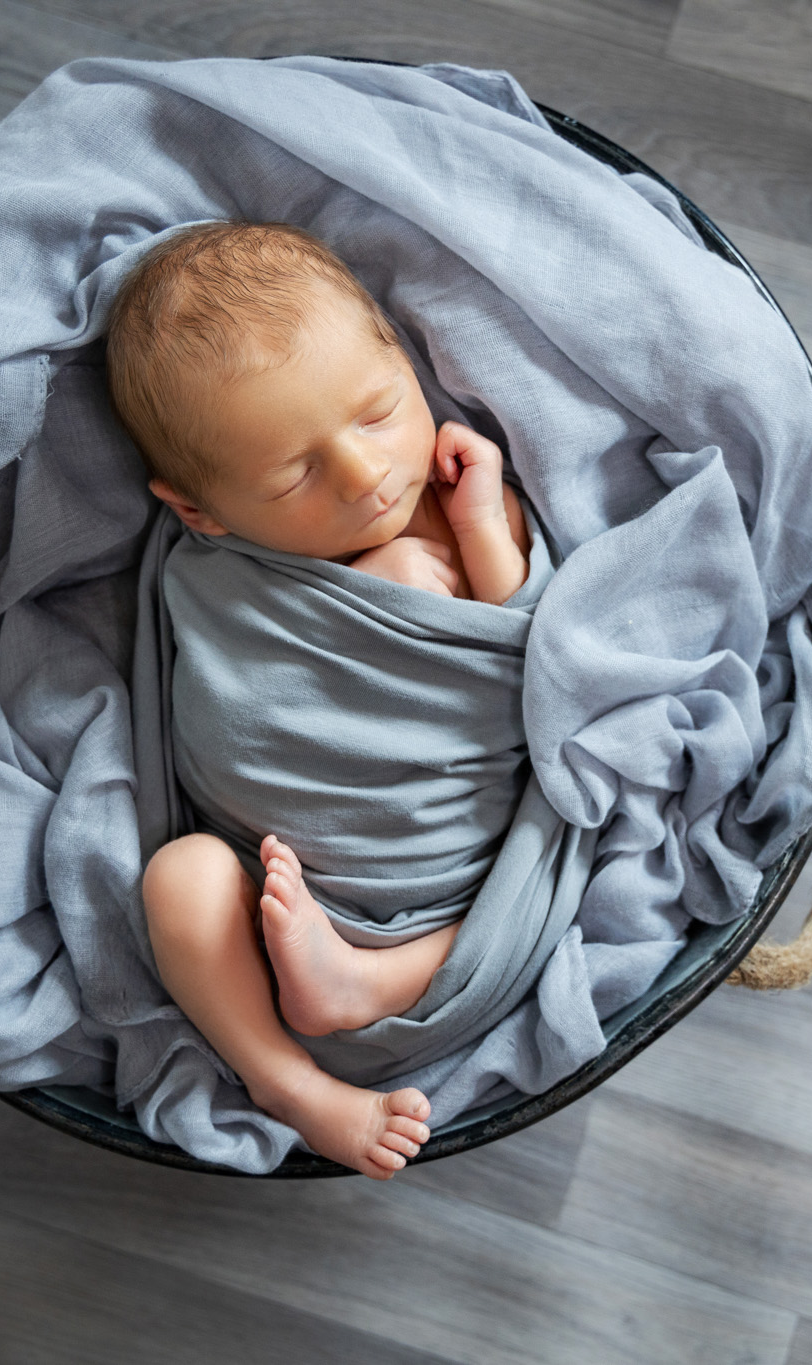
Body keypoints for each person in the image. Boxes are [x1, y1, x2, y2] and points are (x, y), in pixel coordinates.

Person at [105, 221, 534, 1178]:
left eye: (380, 413)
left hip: (442, 877)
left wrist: (478, 534)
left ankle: (364, 982)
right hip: (278, 884)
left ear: (401, 361)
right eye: (295, 473)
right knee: (180, 879)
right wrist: (378, 583)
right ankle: (289, 1082)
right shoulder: (215, 568)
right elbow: (224, 691)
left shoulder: (462, 501)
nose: (363, 474)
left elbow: (530, 655)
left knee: (552, 858)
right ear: (199, 512)